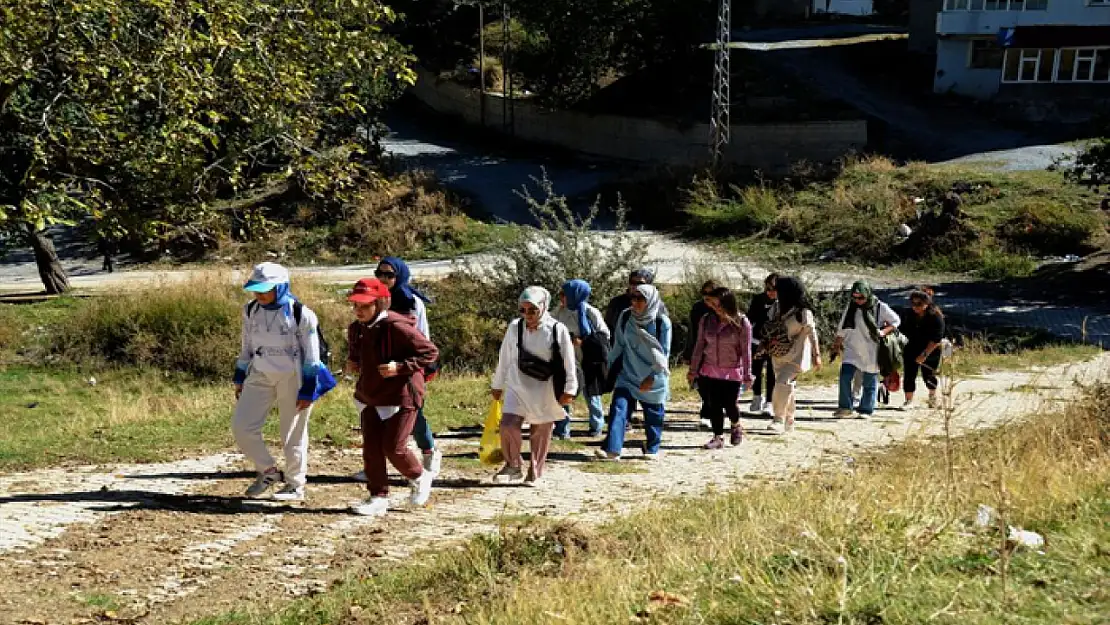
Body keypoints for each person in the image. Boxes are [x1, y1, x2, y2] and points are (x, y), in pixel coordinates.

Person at [345, 278, 440, 517]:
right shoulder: (356, 328)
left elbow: (430, 352)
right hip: (371, 394)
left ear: (380, 303)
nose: (359, 310)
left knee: (394, 447)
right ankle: (378, 497)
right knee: (371, 449)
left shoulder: (397, 326)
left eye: (365, 305)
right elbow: (357, 353)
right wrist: (353, 362)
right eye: (356, 305)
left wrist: (401, 367)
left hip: (403, 394)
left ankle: (419, 476)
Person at [232, 262, 321, 501]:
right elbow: (246, 347)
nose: (259, 294)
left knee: (291, 434)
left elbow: (312, 357)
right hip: (260, 374)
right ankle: (268, 471)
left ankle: (295, 484)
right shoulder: (250, 310)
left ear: (280, 287)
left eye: (265, 289)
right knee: (242, 427)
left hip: (293, 378)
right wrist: (240, 376)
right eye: (256, 289)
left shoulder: (302, 314)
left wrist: (308, 390)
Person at [490, 287, 578, 486]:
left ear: (543, 308)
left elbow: (568, 361)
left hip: (545, 387)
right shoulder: (515, 327)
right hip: (517, 384)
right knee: (508, 425)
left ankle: (535, 471)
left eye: (532, 310)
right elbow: (504, 357)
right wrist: (497, 384)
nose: (527, 315)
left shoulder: (557, 329)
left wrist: (570, 389)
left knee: (540, 431)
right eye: (523, 310)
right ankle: (513, 464)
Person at [595, 284, 672, 460]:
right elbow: (619, 344)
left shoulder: (661, 322)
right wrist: (608, 364)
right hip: (628, 372)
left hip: (653, 375)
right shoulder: (626, 316)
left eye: (640, 299)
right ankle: (613, 449)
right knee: (619, 408)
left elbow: (664, 353)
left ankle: (652, 448)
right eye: (633, 298)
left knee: (653, 414)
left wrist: (652, 376)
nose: (635, 302)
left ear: (650, 300)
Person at [688, 287, 753, 449]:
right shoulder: (706, 319)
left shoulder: (742, 322)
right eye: (713, 305)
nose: (716, 308)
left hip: (732, 371)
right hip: (709, 370)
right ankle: (718, 437)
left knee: (730, 404)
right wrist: (693, 369)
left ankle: (736, 424)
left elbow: (746, 351)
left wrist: (747, 374)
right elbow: (699, 345)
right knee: (713, 404)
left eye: (719, 305)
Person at [832, 281, 901, 419]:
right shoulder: (850, 307)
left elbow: (895, 321)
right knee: (845, 376)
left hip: (871, 349)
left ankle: (866, 409)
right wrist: (836, 346)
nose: (858, 301)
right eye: (855, 297)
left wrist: (883, 332)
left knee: (869, 381)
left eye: (861, 298)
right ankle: (845, 407)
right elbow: (842, 327)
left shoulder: (880, 307)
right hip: (852, 348)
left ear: (868, 294)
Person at [762, 277, 821, 433]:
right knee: (786, 387)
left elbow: (811, 332)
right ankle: (790, 418)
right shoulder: (776, 308)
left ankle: (778, 419)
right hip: (778, 354)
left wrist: (817, 355)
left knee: (782, 383)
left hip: (796, 356)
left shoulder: (803, 312)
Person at [553, 279, 610, 439]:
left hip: (589, 359)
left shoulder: (591, 312)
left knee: (592, 394)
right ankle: (562, 429)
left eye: (564, 294)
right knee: (564, 392)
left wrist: (583, 341)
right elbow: (550, 327)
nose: (561, 298)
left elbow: (604, 335)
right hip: (567, 359)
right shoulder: (559, 312)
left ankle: (596, 426)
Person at [685, 280, 721, 430]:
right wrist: (689, 352)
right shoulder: (698, 308)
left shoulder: (723, 308)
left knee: (714, 383)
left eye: (710, 293)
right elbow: (692, 331)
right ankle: (707, 408)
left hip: (719, 352)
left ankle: (708, 412)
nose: (707, 297)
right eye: (704, 293)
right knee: (702, 383)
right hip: (699, 350)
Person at [900, 289, 944, 410]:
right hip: (912, 347)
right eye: (913, 304)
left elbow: (937, 338)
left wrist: (924, 354)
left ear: (927, 303)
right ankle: (908, 400)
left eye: (919, 304)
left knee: (928, 375)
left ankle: (932, 397)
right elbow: (903, 329)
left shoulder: (936, 316)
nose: (915, 307)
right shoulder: (909, 314)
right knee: (909, 374)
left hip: (931, 349)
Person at [603, 268, 669, 343]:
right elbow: (609, 328)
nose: (635, 286)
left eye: (640, 283)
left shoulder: (657, 305)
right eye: (632, 282)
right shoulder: (617, 303)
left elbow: (663, 332)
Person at [746, 273, 778, 415]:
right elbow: (749, 319)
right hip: (757, 340)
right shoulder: (758, 299)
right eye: (768, 289)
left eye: (773, 289)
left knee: (772, 372)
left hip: (775, 342)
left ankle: (770, 402)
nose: (770, 292)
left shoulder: (784, 302)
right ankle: (757, 396)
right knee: (756, 370)